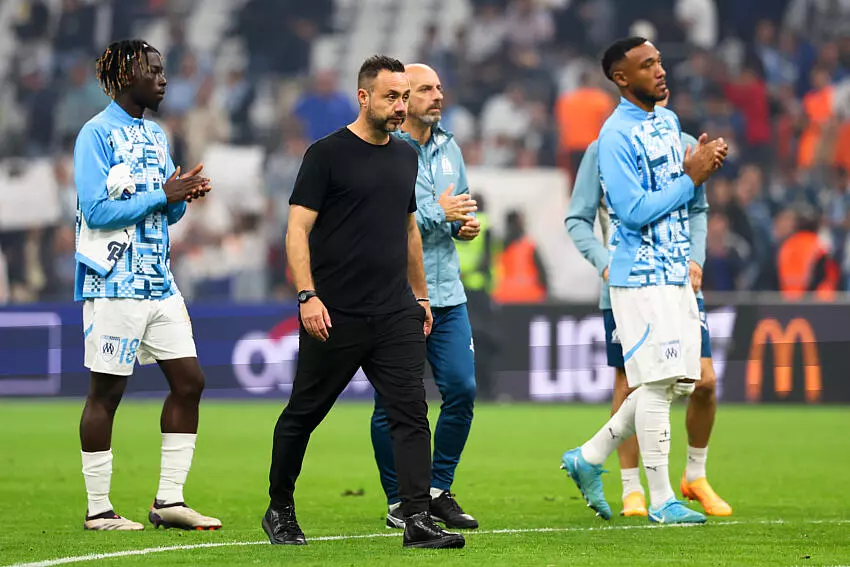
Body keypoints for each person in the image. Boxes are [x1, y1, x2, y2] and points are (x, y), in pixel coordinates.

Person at [263, 55, 465, 550]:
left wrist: (420, 296)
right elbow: (297, 230)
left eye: (404, 97)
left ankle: (417, 518)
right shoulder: (326, 154)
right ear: (363, 97)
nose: (400, 106)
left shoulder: (405, 156)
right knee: (304, 414)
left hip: (395, 309)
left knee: (411, 412)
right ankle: (279, 508)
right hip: (335, 312)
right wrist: (307, 295)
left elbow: (409, 231)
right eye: (391, 97)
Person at [560, 36, 728, 525]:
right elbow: (631, 214)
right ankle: (660, 500)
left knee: (682, 380)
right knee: (654, 385)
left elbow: (681, 201)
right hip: (638, 275)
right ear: (621, 78)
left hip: (675, 273)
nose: (660, 70)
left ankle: (589, 457)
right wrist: (691, 177)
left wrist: (695, 172)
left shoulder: (669, 123)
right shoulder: (612, 137)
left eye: (658, 62)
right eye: (646, 64)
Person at [75, 39, 219, 531]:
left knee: (190, 382)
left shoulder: (157, 136)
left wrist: (183, 197)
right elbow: (95, 210)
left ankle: (169, 501)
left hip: (159, 281)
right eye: (153, 70)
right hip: (113, 282)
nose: (163, 78)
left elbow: (165, 210)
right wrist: (165, 193)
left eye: (163, 69)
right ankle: (99, 510)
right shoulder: (95, 135)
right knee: (107, 394)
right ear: (125, 76)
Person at [371, 63, 480, 531]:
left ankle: (436, 490)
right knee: (392, 404)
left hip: (448, 293)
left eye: (439, 87)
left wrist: (464, 225)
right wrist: (442, 212)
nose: (437, 95)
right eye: (425, 90)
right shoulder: (386, 150)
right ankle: (400, 499)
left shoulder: (450, 146)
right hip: (398, 295)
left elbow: (458, 208)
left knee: (462, 390)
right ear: (402, 99)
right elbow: (391, 218)